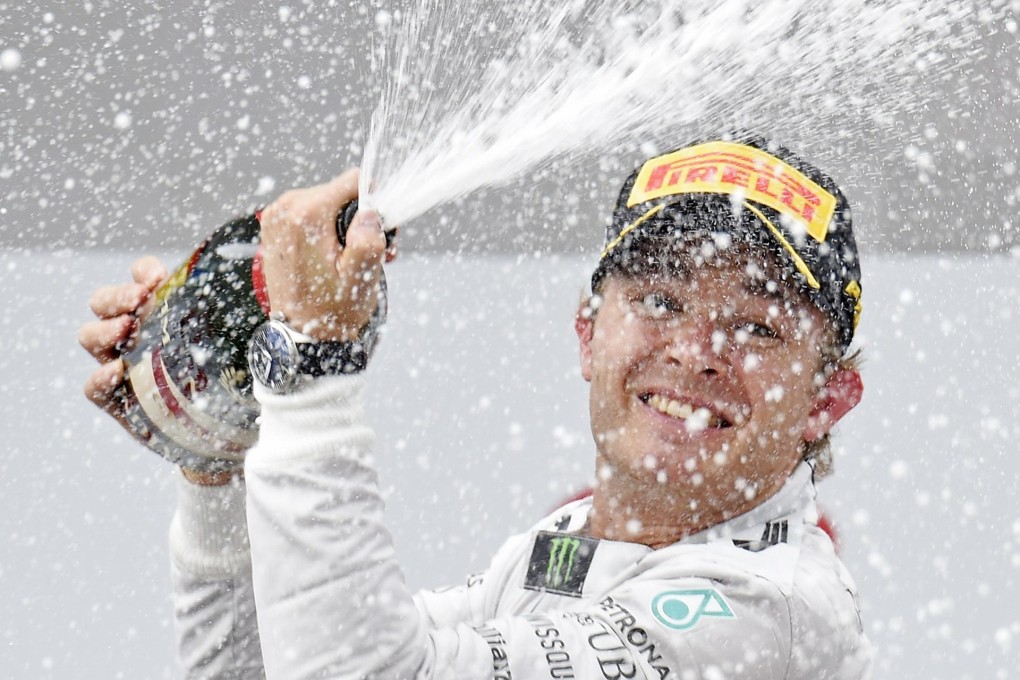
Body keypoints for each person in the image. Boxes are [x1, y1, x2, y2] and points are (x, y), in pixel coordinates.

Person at [79, 136, 873, 678]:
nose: (697, 350)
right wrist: (219, 458)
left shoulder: (770, 607)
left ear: (826, 400)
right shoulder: (565, 546)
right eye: (660, 299)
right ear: (587, 334)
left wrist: (314, 364)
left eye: (757, 327)